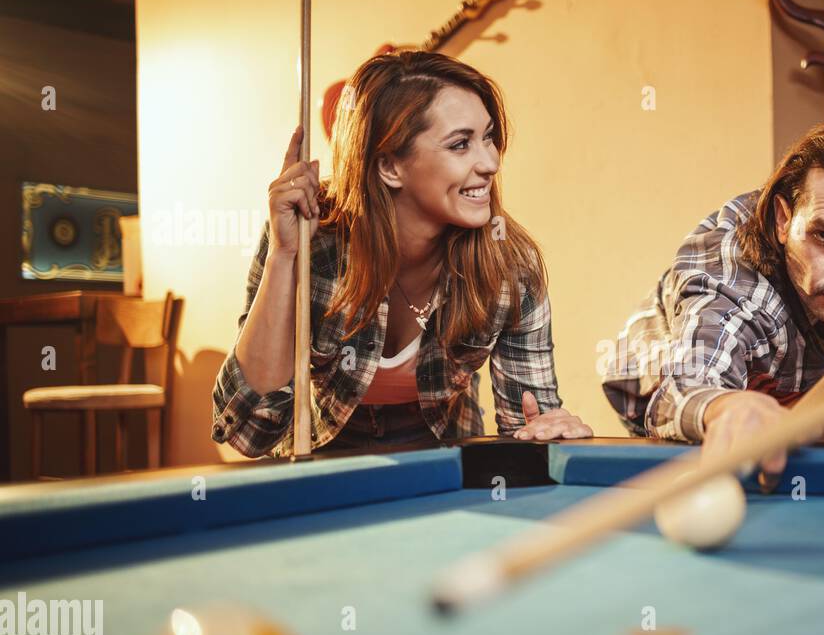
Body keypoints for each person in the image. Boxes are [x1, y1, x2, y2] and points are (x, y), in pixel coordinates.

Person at [213, 52, 592, 457]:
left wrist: (548, 432)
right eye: (461, 144)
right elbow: (251, 432)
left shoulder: (510, 266)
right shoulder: (311, 238)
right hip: (323, 460)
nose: (491, 161)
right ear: (390, 166)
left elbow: (528, 430)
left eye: (488, 137)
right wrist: (284, 255)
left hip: (444, 458)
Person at [602, 105, 824, 480]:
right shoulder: (739, 293)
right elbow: (685, 386)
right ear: (783, 220)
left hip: (784, 376)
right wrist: (725, 408)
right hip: (667, 400)